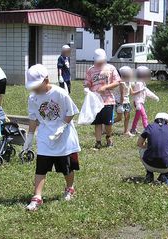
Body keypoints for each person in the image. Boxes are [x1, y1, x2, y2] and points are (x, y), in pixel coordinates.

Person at [23, 64, 81, 211]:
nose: (34, 89)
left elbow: (71, 111)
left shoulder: (60, 93)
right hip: (45, 136)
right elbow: (33, 118)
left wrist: (62, 127)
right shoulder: (33, 98)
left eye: (36, 85)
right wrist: (29, 137)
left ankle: (70, 188)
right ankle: (37, 197)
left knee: (66, 167)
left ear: (46, 80)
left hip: (63, 136)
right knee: (41, 168)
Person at [84, 48, 121, 149]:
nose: (99, 63)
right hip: (95, 101)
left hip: (108, 100)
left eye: (101, 61)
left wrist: (106, 87)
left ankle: (109, 138)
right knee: (98, 122)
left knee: (108, 122)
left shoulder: (111, 68)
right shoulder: (91, 70)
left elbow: (117, 82)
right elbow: (87, 83)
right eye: (98, 61)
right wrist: (87, 88)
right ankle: (98, 142)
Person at [130, 66, 159, 134]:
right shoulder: (139, 83)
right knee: (144, 116)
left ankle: (133, 129)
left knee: (137, 117)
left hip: (139, 103)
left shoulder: (142, 82)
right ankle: (147, 130)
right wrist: (138, 104)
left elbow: (146, 91)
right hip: (138, 103)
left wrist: (155, 97)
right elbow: (137, 95)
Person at [114, 66, 134, 137]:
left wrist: (142, 91)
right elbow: (122, 94)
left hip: (127, 101)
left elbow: (132, 93)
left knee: (127, 117)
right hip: (121, 102)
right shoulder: (122, 83)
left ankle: (126, 132)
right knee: (119, 118)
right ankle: (106, 125)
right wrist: (120, 105)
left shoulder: (129, 82)